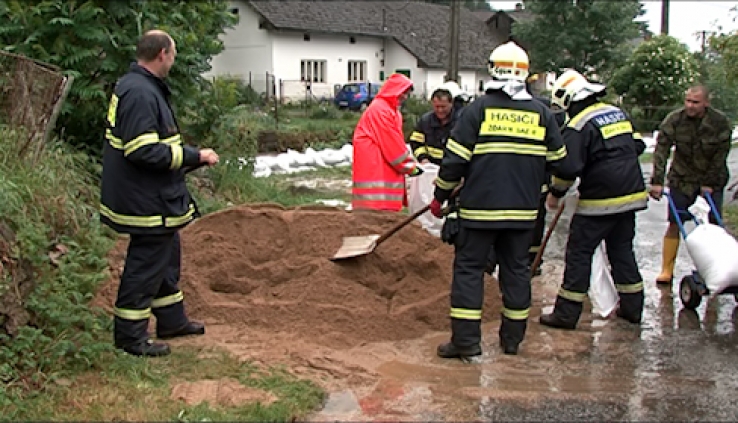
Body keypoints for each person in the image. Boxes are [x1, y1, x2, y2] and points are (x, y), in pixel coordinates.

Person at [430, 41, 569, 357]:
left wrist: (440, 196)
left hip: (480, 212)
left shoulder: (477, 110)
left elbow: (454, 162)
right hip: (523, 213)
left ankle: (466, 342)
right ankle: (512, 341)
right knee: (517, 271)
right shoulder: (542, 114)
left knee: (469, 270)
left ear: (492, 69)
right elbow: (561, 161)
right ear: (526, 74)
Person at [100, 30, 220, 357]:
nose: (174, 58)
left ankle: (171, 320)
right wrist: (195, 156)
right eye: (174, 53)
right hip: (145, 202)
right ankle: (130, 338)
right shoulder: (140, 92)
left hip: (155, 197)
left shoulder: (140, 86)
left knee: (166, 261)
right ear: (162, 54)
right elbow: (143, 151)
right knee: (145, 266)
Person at [539, 69, 648, 330]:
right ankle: (633, 308)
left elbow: (567, 168)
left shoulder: (578, 125)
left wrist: (555, 193)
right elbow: (638, 146)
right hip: (631, 196)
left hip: (601, 200)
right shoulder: (616, 113)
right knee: (622, 251)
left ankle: (566, 314)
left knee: (579, 252)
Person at [650, 85, 733, 285]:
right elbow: (661, 149)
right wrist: (657, 181)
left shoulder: (719, 123)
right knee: (674, 222)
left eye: (695, 102)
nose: (690, 106)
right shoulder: (675, 120)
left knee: (713, 226)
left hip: (711, 181)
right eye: (687, 101)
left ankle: (714, 269)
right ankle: (667, 269)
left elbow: (720, 156)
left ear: (706, 102)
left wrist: (709, 183)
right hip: (682, 178)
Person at [351, 73, 422, 211]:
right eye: (403, 92)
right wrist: (409, 166)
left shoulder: (387, 109)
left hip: (376, 167)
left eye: (407, 94)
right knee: (377, 212)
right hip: (375, 168)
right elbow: (392, 144)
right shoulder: (382, 110)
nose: (405, 97)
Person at [408, 81, 467, 166]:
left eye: (443, 107)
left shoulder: (461, 122)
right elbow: (416, 142)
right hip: (431, 168)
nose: (440, 110)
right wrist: (423, 158)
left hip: (453, 169)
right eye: (437, 107)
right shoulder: (425, 121)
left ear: (451, 104)